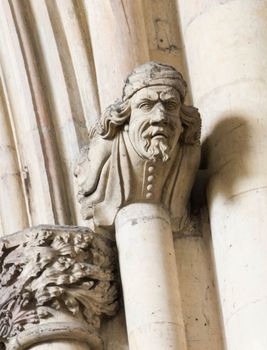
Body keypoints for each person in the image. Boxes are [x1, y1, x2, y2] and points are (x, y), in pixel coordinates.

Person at [75, 62, 201, 231]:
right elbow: (87, 186)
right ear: (127, 114)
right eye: (146, 105)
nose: (160, 116)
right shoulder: (108, 145)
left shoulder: (187, 153)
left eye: (170, 106)